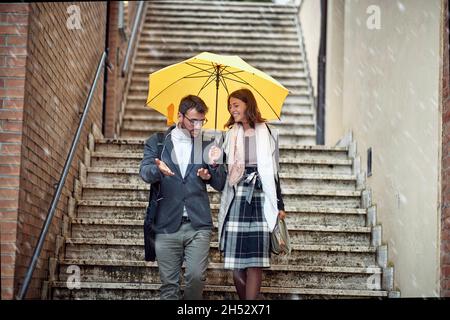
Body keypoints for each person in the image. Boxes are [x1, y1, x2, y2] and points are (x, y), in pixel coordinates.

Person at [139, 95, 226, 300]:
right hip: (166, 223)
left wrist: (212, 168)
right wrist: (158, 170)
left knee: (196, 277)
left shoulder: (208, 144)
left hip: (198, 224)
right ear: (180, 116)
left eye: (201, 121)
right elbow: (145, 172)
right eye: (192, 120)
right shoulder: (158, 142)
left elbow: (221, 183)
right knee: (169, 285)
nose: (197, 126)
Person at [216, 88, 286, 300]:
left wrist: (280, 205)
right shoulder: (227, 135)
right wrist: (215, 159)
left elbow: (275, 172)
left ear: (248, 105)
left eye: (236, 105)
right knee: (235, 261)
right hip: (236, 195)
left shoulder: (270, 133)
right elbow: (220, 172)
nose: (232, 109)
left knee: (255, 261)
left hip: (262, 195)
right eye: (230, 106)